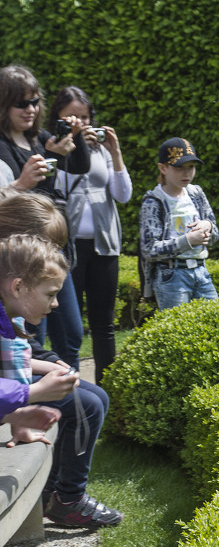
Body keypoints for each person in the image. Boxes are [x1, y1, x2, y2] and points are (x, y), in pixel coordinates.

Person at [0, 229, 121, 527]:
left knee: (96, 399)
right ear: (18, 287)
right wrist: (34, 394)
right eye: (50, 294)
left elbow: (21, 357)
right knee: (89, 405)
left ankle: (52, 493)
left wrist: (47, 368)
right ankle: (66, 499)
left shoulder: (10, 316)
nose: (55, 304)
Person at [0, 64, 89, 369]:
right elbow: (16, 201)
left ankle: (70, 395)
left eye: (35, 101)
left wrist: (72, 141)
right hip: (21, 259)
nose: (31, 110)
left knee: (73, 336)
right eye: (21, 103)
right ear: (3, 105)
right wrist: (20, 185)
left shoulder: (37, 139)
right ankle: (40, 401)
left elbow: (79, 167)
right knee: (32, 339)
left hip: (51, 250)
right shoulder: (1, 147)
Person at [48, 87, 131, 384]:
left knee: (104, 325)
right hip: (68, 248)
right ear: (58, 118)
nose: (80, 123)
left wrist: (115, 152)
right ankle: (70, 390)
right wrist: (72, 147)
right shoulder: (52, 148)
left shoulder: (101, 151)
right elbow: (53, 187)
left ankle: (106, 392)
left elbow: (123, 195)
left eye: (85, 117)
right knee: (71, 327)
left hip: (104, 245)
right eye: (72, 117)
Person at [139, 137, 219, 309]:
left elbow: (215, 234)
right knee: (177, 331)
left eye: (191, 167)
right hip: (171, 277)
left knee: (213, 324)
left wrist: (208, 225)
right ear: (163, 168)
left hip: (201, 271)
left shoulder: (196, 193)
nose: (187, 173)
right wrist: (189, 240)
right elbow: (149, 250)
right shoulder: (153, 202)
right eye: (179, 168)